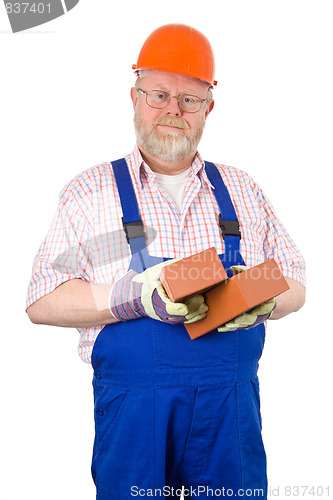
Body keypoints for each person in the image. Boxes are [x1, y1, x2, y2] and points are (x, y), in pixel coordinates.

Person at [26, 23, 306, 500]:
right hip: (135, 418)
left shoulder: (242, 190)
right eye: (159, 94)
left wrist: (260, 297)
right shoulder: (90, 192)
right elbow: (42, 300)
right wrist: (132, 296)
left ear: (208, 108)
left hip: (229, 415)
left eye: (189, 100)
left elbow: (295, 280)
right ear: (134, 97)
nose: (173, 111)